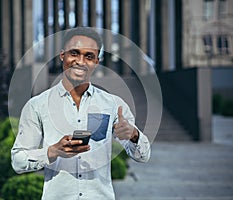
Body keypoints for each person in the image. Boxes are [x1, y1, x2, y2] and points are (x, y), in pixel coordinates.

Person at [11, 27, 151, 200]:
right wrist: (53, 151)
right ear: (63, 56)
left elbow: (143, 155)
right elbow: (18, 161)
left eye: (89, 56)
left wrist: (134, 135)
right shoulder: (37, 105)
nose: (80, 61)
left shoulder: (113, 105)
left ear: (97, 61)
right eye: (74, 53)